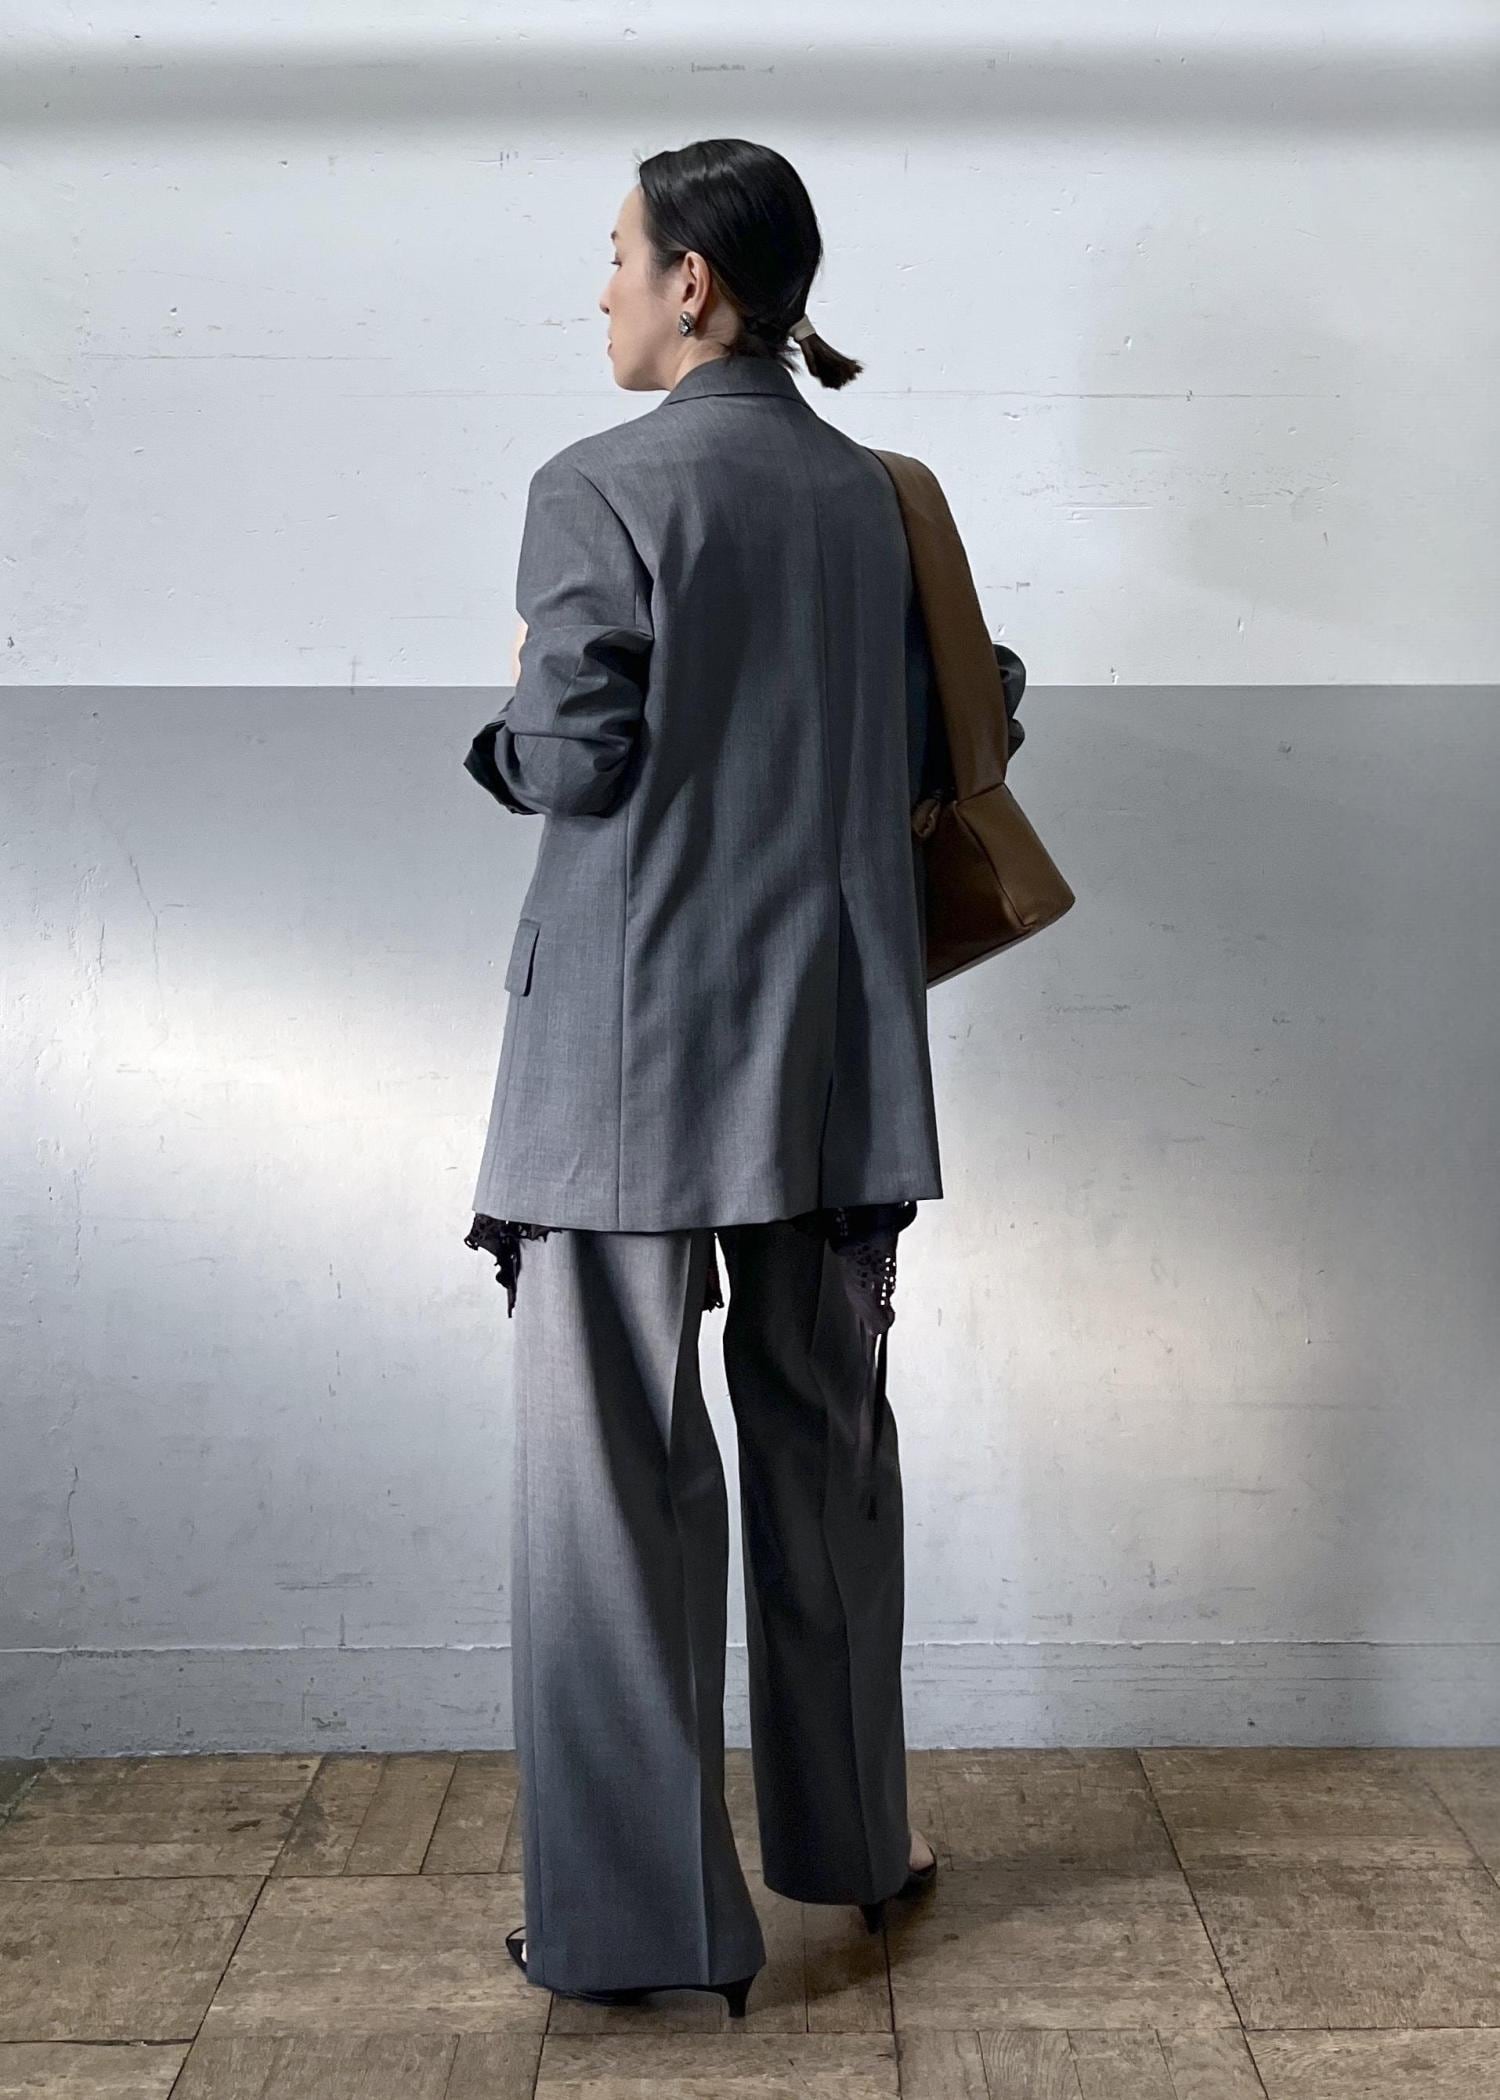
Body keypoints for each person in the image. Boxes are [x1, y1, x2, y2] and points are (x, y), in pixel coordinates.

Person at [463, 137, 943, 2016]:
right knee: (826, 1461)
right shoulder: (876, 498)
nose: (600, 287)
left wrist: (511, 706)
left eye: (618, 255)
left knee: (613, 1497)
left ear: (695, 285)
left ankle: (646, 1928)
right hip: (832, 1060)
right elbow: (962, 719)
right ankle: (855, 1851)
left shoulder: (597, 485)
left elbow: (574, 758)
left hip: (625, 1067)